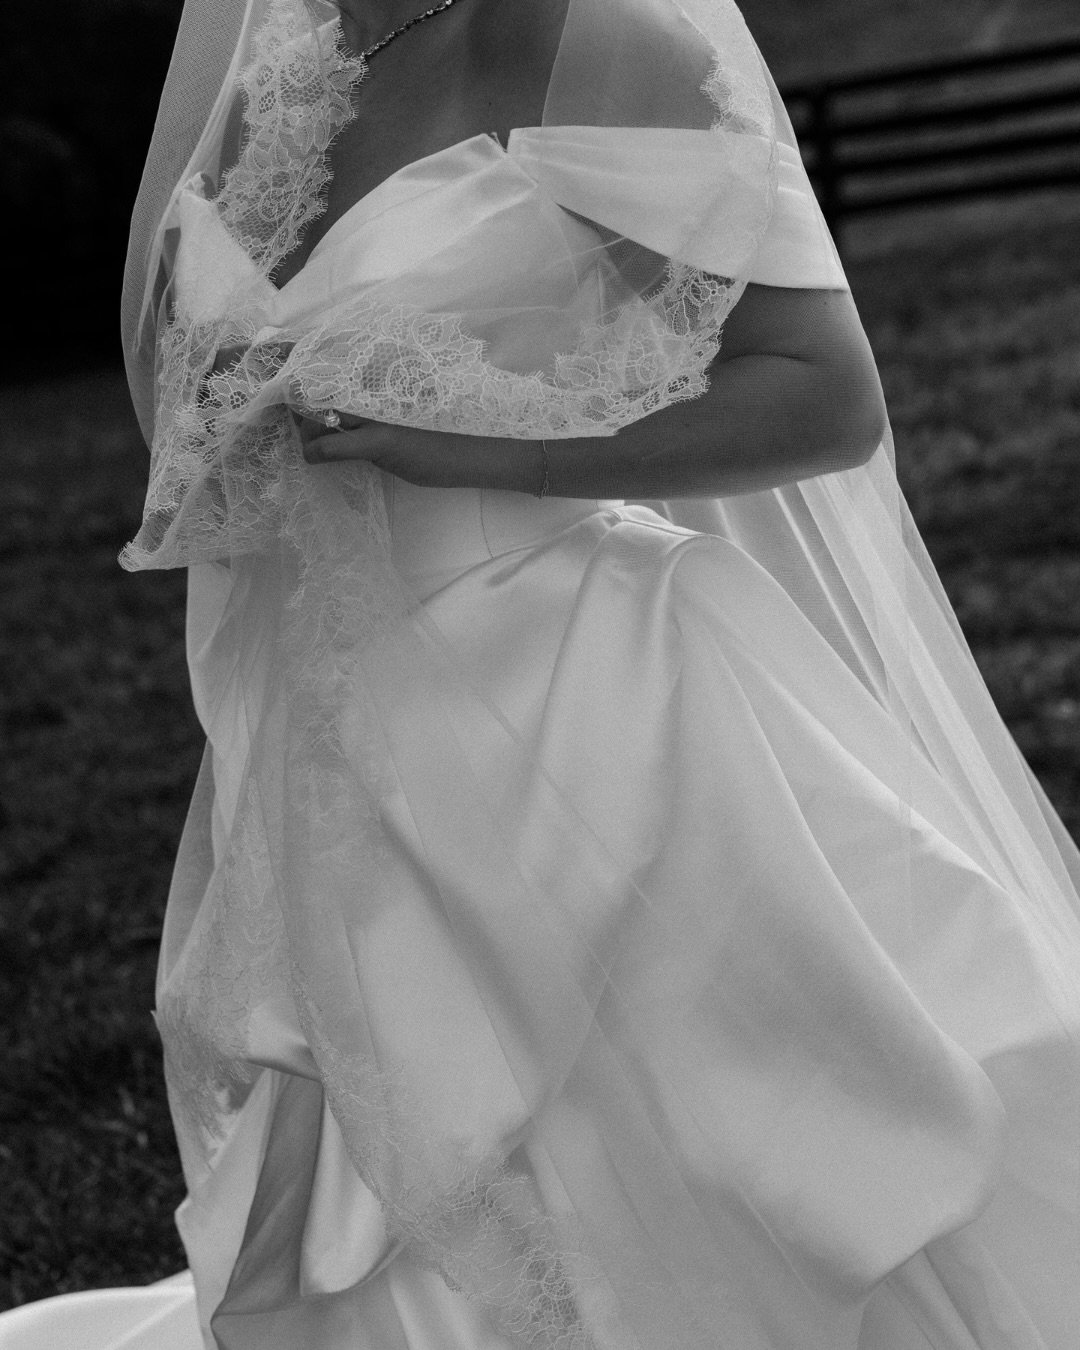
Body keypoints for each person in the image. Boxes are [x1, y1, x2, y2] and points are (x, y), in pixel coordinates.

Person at [4, 2, 1079, 1347]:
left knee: (732, 1155)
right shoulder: (272, 87)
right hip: (333, 746)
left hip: (588, 704)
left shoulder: (600, 39)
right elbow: (187, 431)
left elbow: (822, 391)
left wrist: (469, 440)